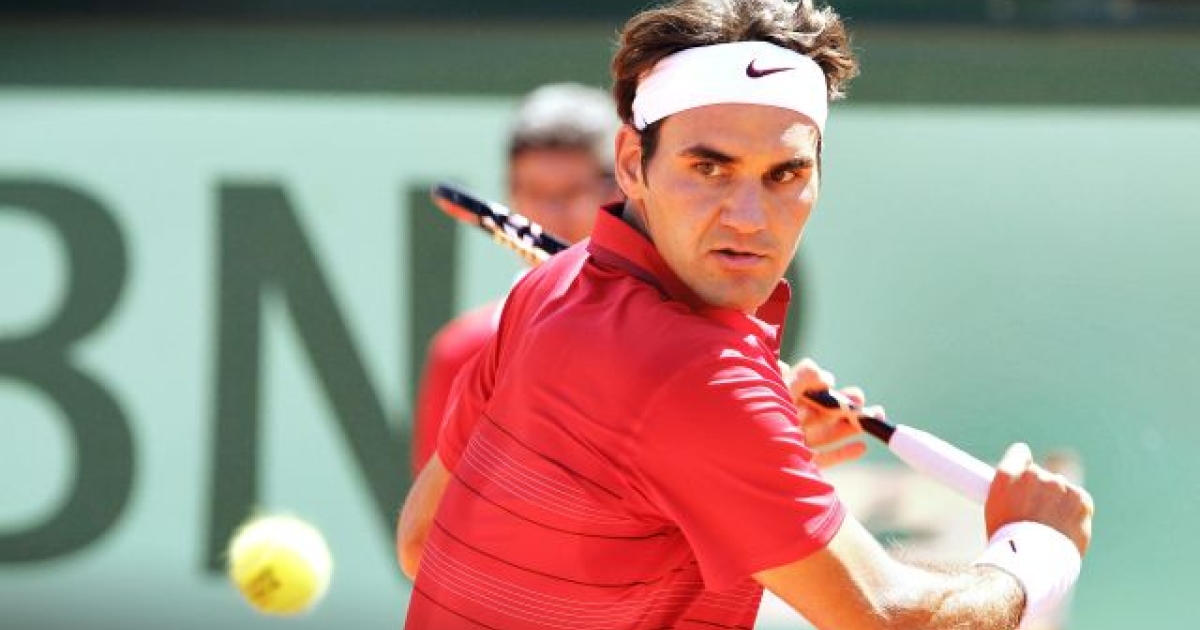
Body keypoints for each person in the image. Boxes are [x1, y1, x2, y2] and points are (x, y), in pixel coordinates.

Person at [398, 1, 1094, 628]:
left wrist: (731, 463)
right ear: (632, 162)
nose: (749, 217)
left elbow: (423, 542)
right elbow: (893, 620)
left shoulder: (551, 285)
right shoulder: (705, 383)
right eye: (710, 168)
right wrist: (1033, 549)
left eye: (785, 174)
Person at [410, 82, 620, 476]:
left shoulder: (673, 336)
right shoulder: (462, 351)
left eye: (572, 192)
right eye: (535, 192)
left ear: (619, 192)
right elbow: (436, 510)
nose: (552, 216)